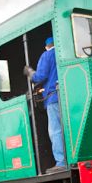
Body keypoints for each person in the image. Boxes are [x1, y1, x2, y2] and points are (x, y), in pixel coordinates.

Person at [28, 37, 66, 172]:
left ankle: (61, 162)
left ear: (47, 46)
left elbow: (40, 76)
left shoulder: (47, 55)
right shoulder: (65, 52)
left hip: (53, 97)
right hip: (67, 96)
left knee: (55, 130)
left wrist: (30, 73)